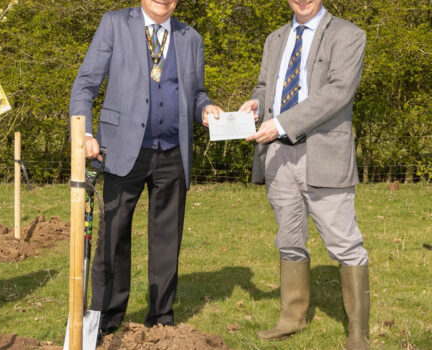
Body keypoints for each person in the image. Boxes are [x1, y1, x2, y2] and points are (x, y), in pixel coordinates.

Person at [69, 0, 223, 341]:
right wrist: (86, 134)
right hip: (122, 151)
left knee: (167, 241)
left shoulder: (191, 38)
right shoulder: (114, 24)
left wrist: (206, 109)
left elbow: (196, 94)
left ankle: (161, 323)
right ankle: (106, 320)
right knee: (113, 237)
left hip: (172, 153)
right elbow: (85, 86)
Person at [239, 0, 370, 348]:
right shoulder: (275, 38)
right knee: (289, 239)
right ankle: (291, 317)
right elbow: (267, 85)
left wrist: (281, 123)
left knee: (344, 242)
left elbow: (338, 92)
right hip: (278, 154)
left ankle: (358, 335)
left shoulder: (349, 35)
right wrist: (255, 102)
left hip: (324, 153)